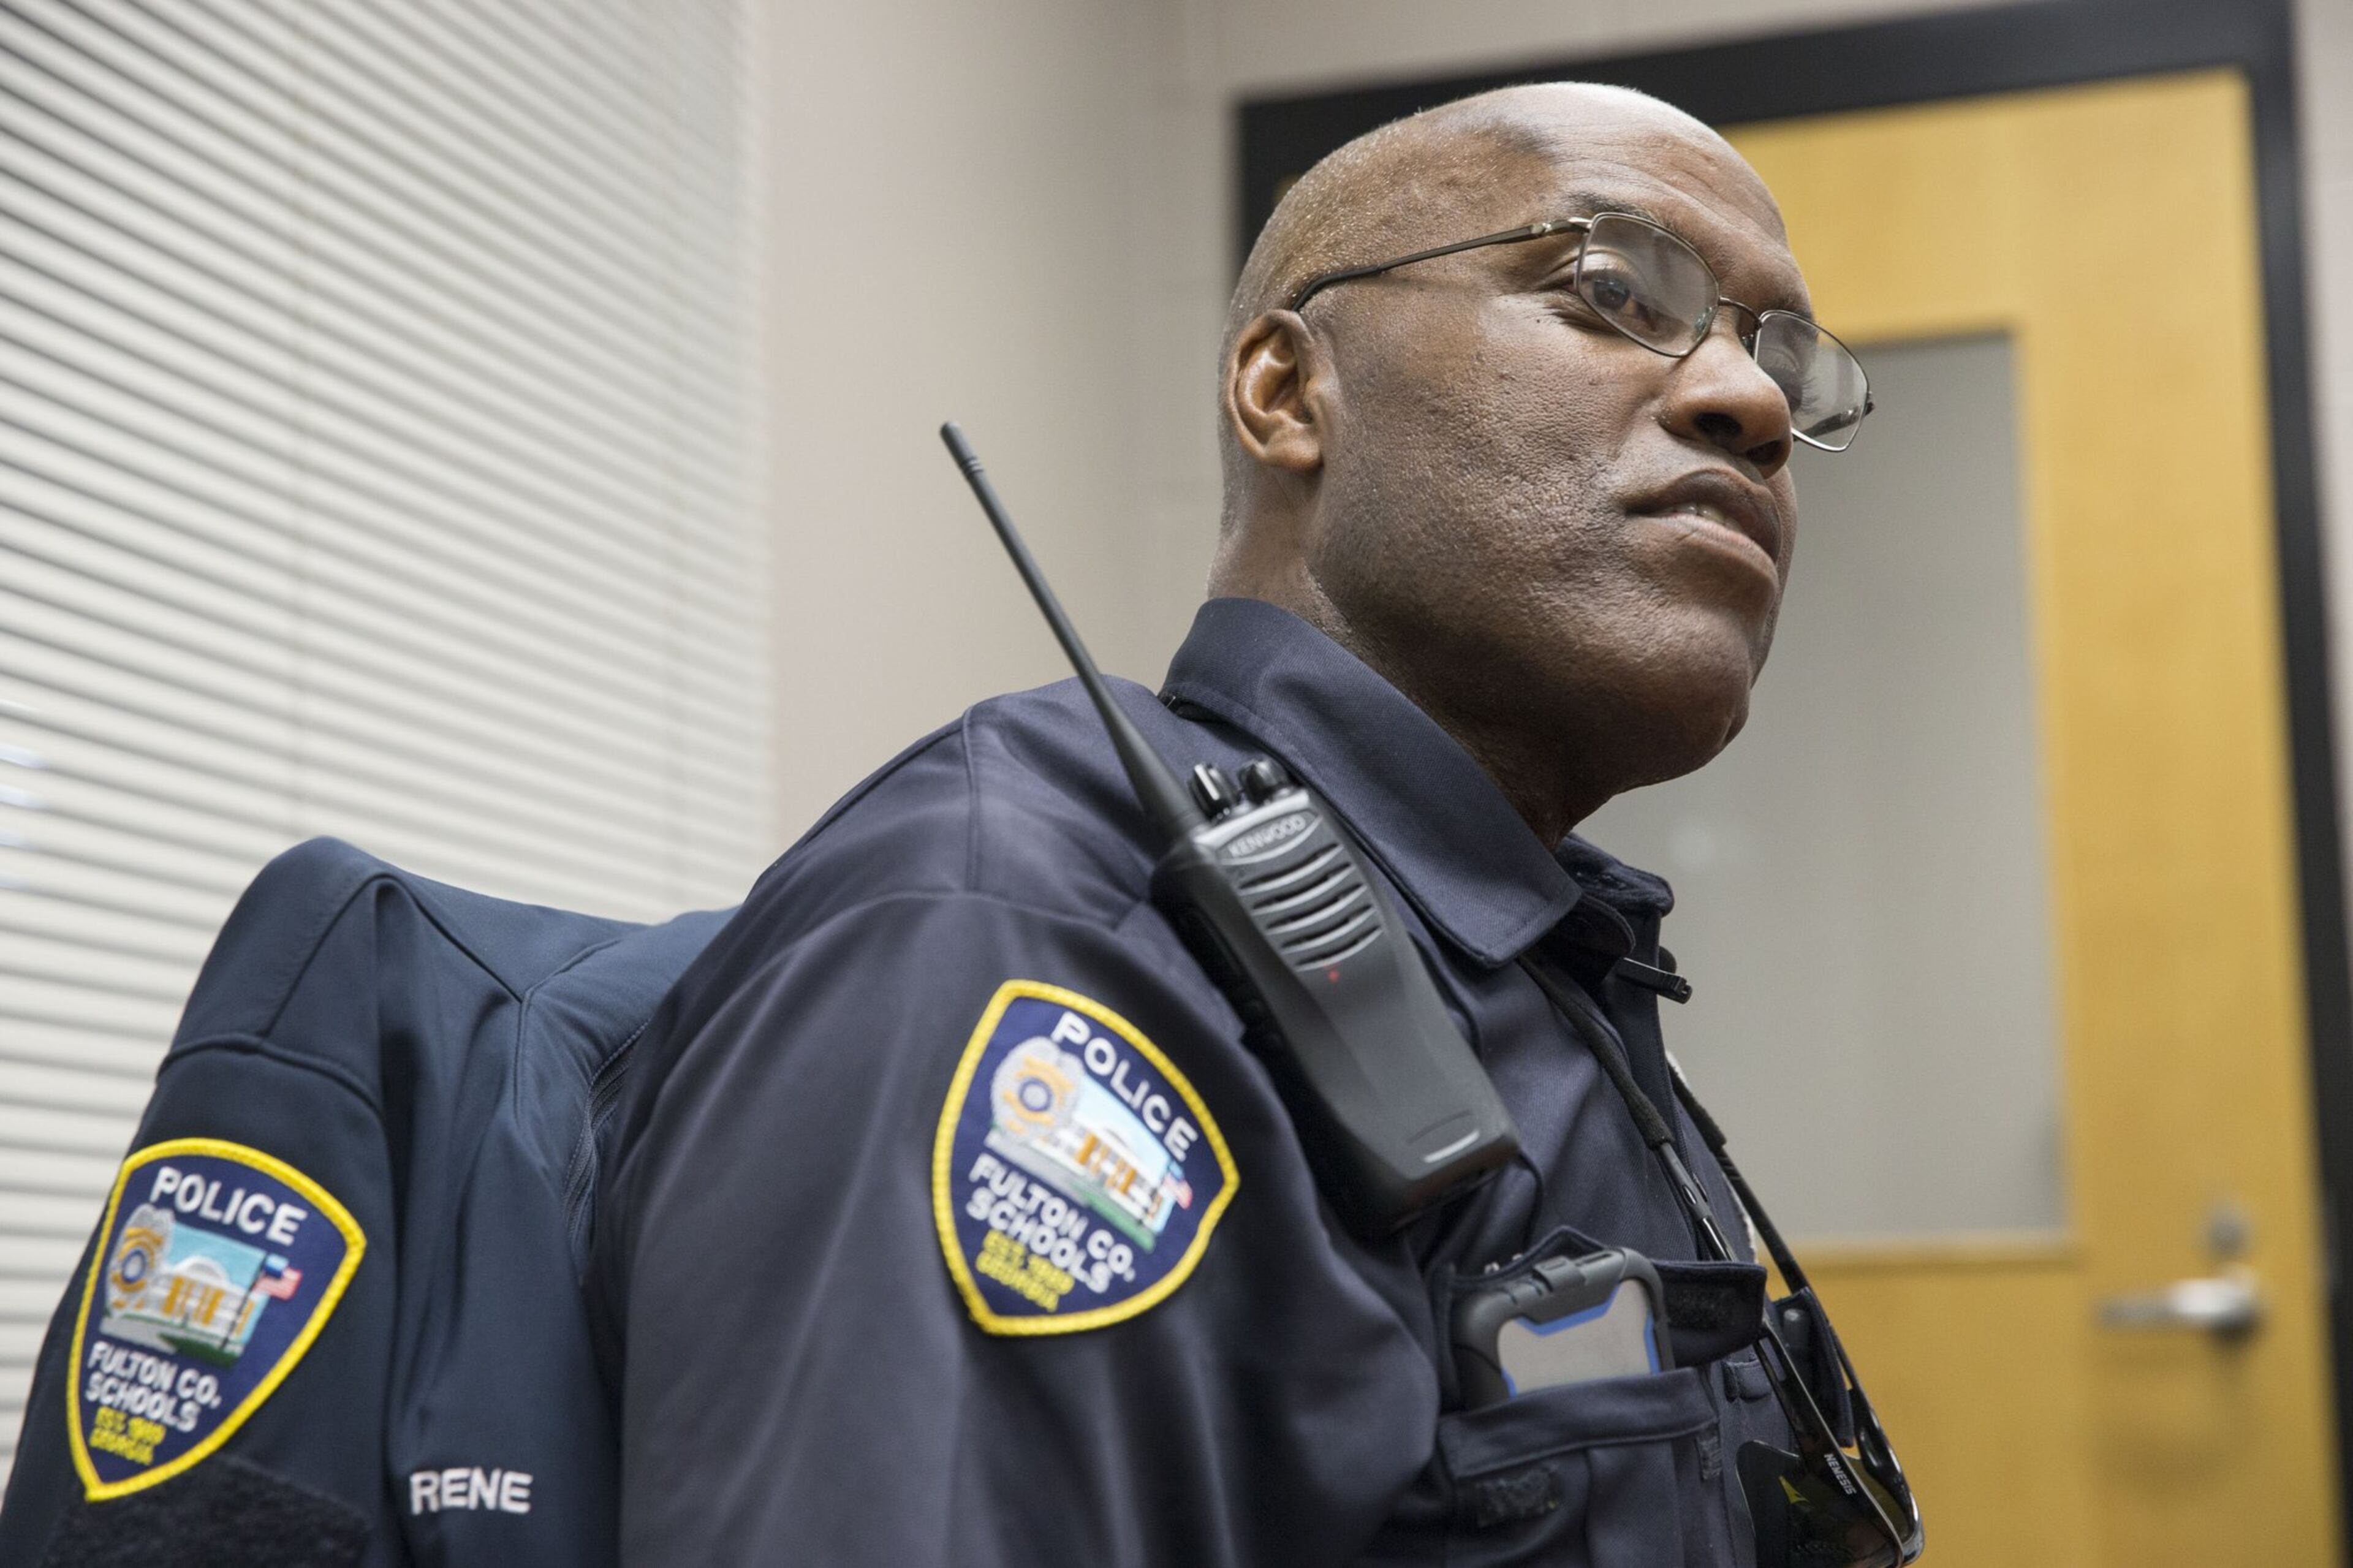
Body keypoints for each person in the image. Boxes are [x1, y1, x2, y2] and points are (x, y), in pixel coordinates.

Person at [590, 81, 1898, 1567]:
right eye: (1607, 289)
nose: (1754, 404)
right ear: (1287, 392)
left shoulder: (1546, 967)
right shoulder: (1040, 933)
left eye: (1783, 356)